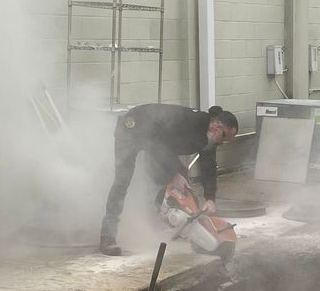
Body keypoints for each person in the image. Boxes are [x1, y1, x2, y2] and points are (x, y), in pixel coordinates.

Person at [99, 104, 239, 256]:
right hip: (133, 128)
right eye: (224, 138)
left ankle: (184, 227)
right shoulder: (190, 123)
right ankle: (107, 237)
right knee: (123, 180)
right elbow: (156, 145)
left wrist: (210, 198)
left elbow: (209, 166)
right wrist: (173, 173)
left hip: (155, 140)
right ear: (217, 127)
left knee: (182, 179)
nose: (222, 143)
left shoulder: (209, 137)